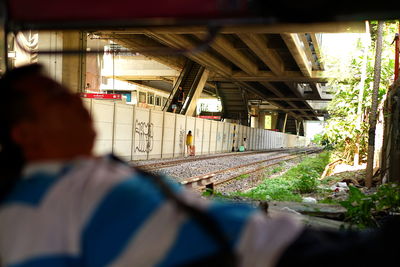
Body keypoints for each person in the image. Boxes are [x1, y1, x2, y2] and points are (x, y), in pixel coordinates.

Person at [0, 64, 398, 267]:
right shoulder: (29, 208)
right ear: (24, 134)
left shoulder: (87, 172)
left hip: (278, 245)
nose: (76, 102)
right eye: (57, 101)